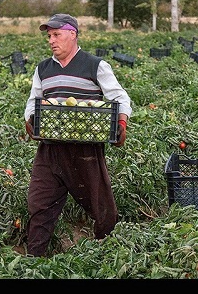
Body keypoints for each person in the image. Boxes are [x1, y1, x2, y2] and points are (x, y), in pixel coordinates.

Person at [24, 13, 132, 257]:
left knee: (101, 206)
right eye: (49, 36)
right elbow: (34, 100)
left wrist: (121, 123)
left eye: (56, 35)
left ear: (72, 33)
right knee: (39, 203)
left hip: (86, 149)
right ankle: (33, 258)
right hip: (50, 149)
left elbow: (119, 97)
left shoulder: (95, 65)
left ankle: (109, 252)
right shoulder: (43, 69)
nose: (51, 40)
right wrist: (30, 120)